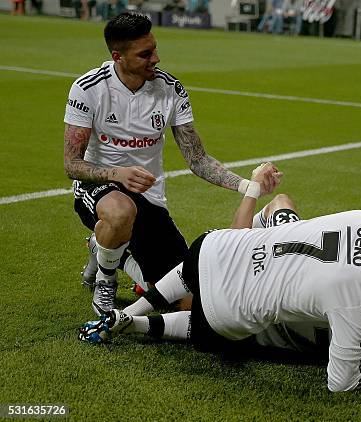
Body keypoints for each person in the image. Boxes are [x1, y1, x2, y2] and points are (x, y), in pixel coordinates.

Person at [79, 183, 361, 391]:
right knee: (212, 314)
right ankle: (127, 314)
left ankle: (126, 314)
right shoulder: (356, 308)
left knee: (194, 278)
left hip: (215, 249)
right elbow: (340, 384)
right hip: (227, 310)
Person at [63, 12, 281, 315]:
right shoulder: (88, 89)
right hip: (98, 188)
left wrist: (249, 184)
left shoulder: (170, 89)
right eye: (145, 54)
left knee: (187, 302)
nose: (156, 58)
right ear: (118, 57)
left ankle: (108, 250)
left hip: (149, 199)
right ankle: (105, 282)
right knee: (120, 211)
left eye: (154, 48)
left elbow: (198, 159)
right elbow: (72, 164)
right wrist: (118, 174)